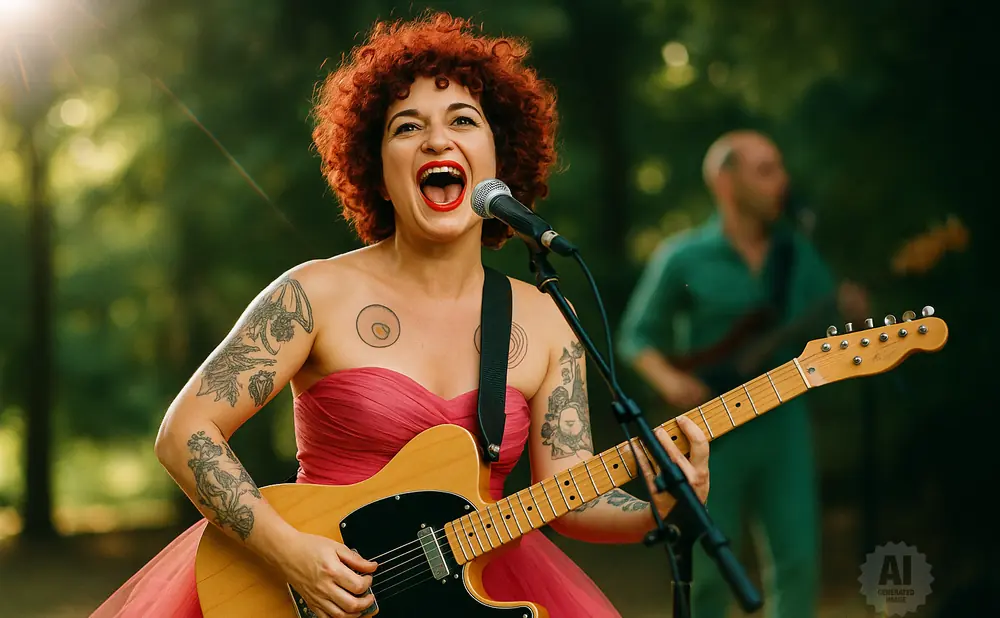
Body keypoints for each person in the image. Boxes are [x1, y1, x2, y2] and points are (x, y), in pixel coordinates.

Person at [90, 12, 710, 618]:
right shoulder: (313, 293)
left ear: (499, 159)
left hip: (483, 594)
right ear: (378, 171)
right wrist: (292, 554)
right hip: (318, 594)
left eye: (463, 120)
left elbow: (571, 497)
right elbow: (185, 432)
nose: (438, 140)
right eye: (408, 127)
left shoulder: (548, 316)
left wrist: (659, 503)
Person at [617, 130, 867, 618]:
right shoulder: (682, 256)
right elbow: (634, 337)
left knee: (798, 563)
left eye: (780, 167)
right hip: (711, 430)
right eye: (765, 170)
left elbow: (832, 327)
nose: (782, 180)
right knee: (709, 572)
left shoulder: (795, 253)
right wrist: (670, 381)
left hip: (785, 422)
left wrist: (853, 314)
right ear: (725, 182)